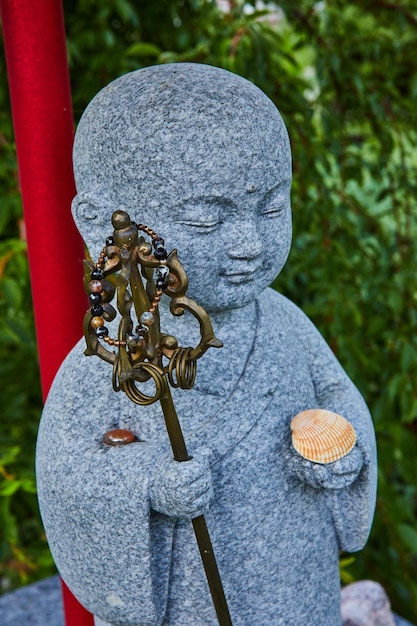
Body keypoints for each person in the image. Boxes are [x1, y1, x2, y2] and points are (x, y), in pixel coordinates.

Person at [36, 63, 377, 626]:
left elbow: (336, 396)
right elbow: (70, 468)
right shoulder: (114, 352)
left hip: (298, 576)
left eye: (270, 208)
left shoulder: (285, 323)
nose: (248, 244)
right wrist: (148, 482)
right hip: (186, 599)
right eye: (205, 221)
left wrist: (342, 454)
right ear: (102, 223)